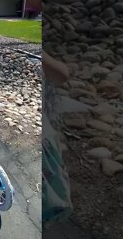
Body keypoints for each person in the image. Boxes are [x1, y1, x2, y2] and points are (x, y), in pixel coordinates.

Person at [42, 50, 73, 229]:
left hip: (45, 139)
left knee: (48, 196)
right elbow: (62, 75)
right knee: (53, 194)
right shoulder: (43, 57)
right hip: (46, 137)